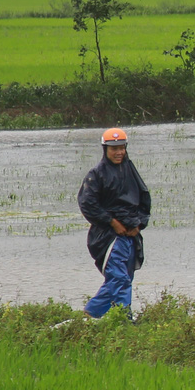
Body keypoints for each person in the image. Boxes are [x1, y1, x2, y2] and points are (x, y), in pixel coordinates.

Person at [78, 127, 151, 319]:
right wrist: (111, 222)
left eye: (121, 148)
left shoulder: (130, 169)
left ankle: (90, 315)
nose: (119, 152)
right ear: (105, 149)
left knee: (123, 279)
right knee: (119, 279)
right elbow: (87, 203)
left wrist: (139, 224)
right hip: (108, 237)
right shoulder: (97, 174)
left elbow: (144, 199)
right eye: (114, 148)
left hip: (130, 236)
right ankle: (124, 320)